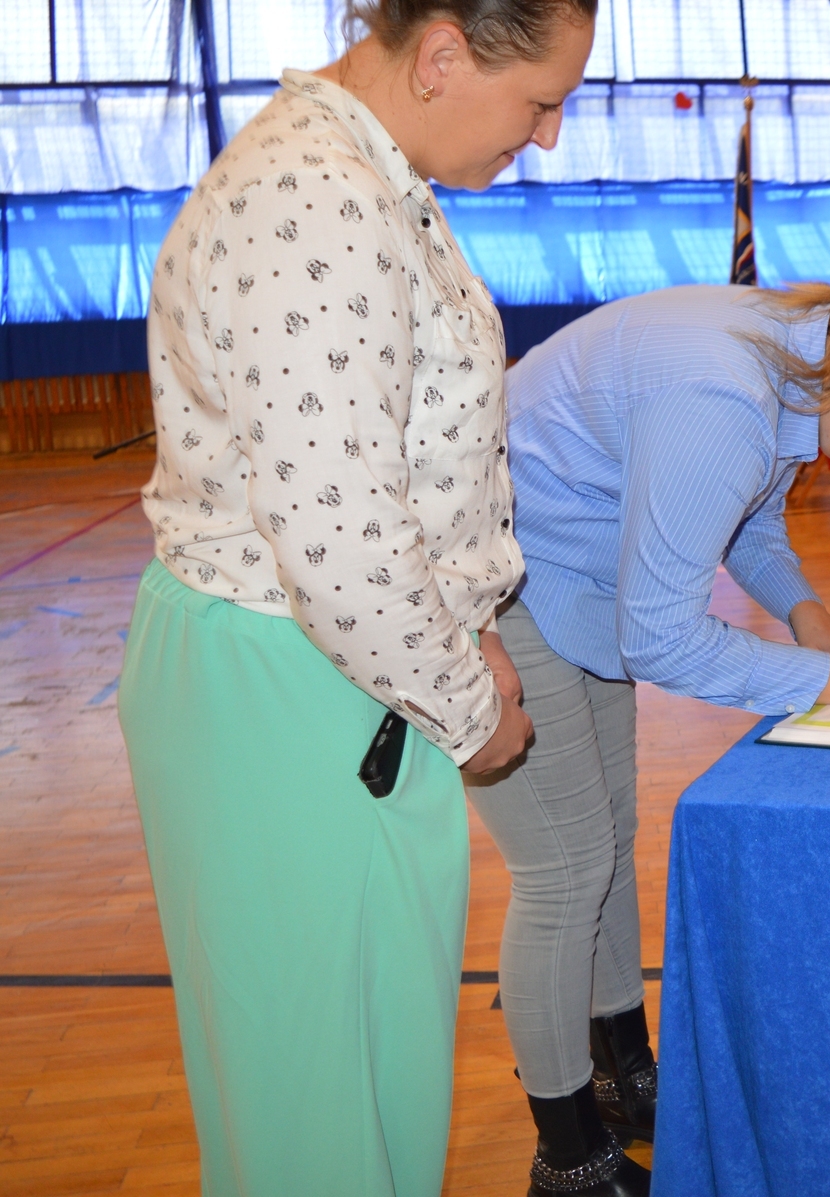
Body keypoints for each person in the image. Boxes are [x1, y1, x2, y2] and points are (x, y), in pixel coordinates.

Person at [117, 3, 597, 1194]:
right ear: (442, 56)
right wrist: (474, 718)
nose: (547, 136)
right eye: (541, 100)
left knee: (362, 1077)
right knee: (316, 1111)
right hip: (290, 679)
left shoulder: (367, 174)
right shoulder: (319, 197)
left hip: (342, 671)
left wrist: (469, 630)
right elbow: (336, 537)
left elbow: (399, 470)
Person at [466, 282, 830, 1190]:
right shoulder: (726, 392)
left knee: (606, 842)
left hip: (575, 571)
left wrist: (814, 622)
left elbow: (750, 519)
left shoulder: (801, 360)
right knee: (564, 872)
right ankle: (567, 1159)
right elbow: (662, 638)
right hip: (507, 585)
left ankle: (620, 1075)